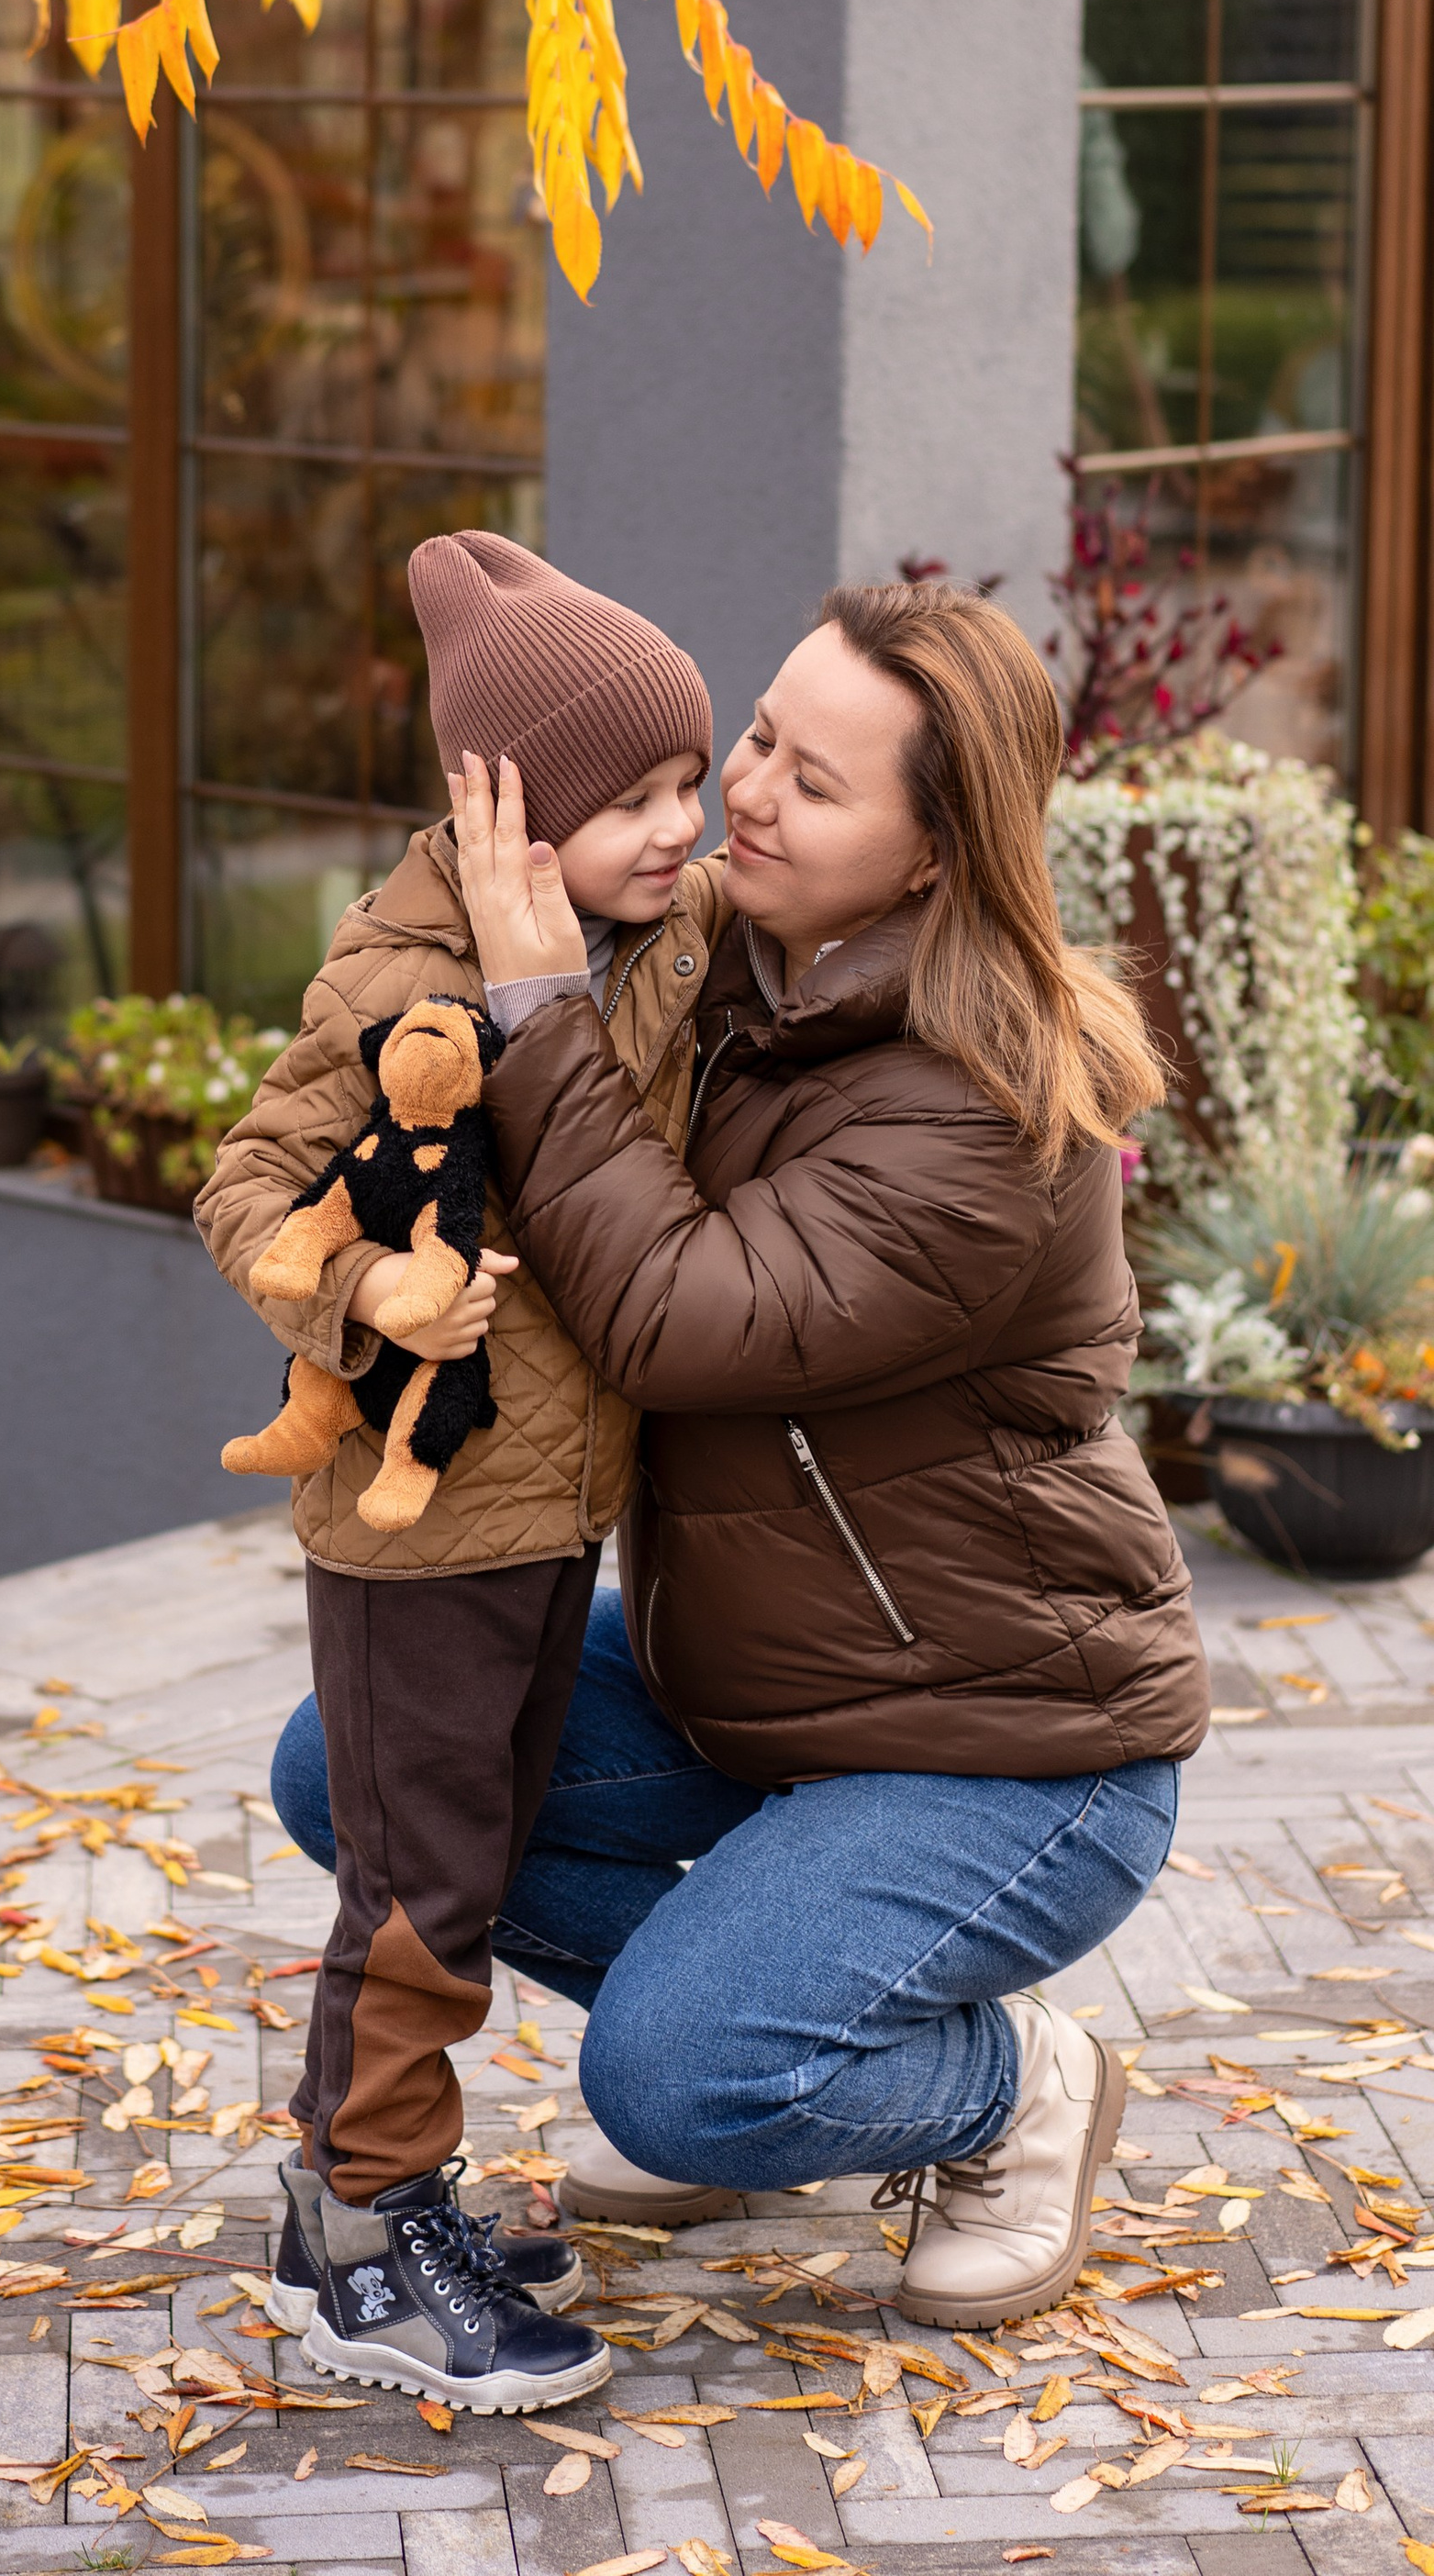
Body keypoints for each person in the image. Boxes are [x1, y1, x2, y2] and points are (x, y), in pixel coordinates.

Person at [269, 580, 1209, 2334]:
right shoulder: (728, 966)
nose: (745, 796)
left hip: (1007, 1739)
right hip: (762, 1682)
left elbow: (679, 1319)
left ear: (936, 858)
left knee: (671, 2081)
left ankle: (1001, 2089)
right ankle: (770, 2048)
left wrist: (541, 1007)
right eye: (760, 737)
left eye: (814, 782)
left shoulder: (987, 1112)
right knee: (355, 1767)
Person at [196, 529, 718, 2411]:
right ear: (513, 812)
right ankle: (363, 2241)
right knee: (415, 1899)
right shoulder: (403, 975)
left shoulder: (648, 932)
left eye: (691, 782)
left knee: (466, 1870)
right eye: (635, 798)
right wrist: (365, 1295)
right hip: (414, 1531)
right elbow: (243, 1191)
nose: (680, 828)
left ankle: (354, 2204)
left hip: (548, 1512)